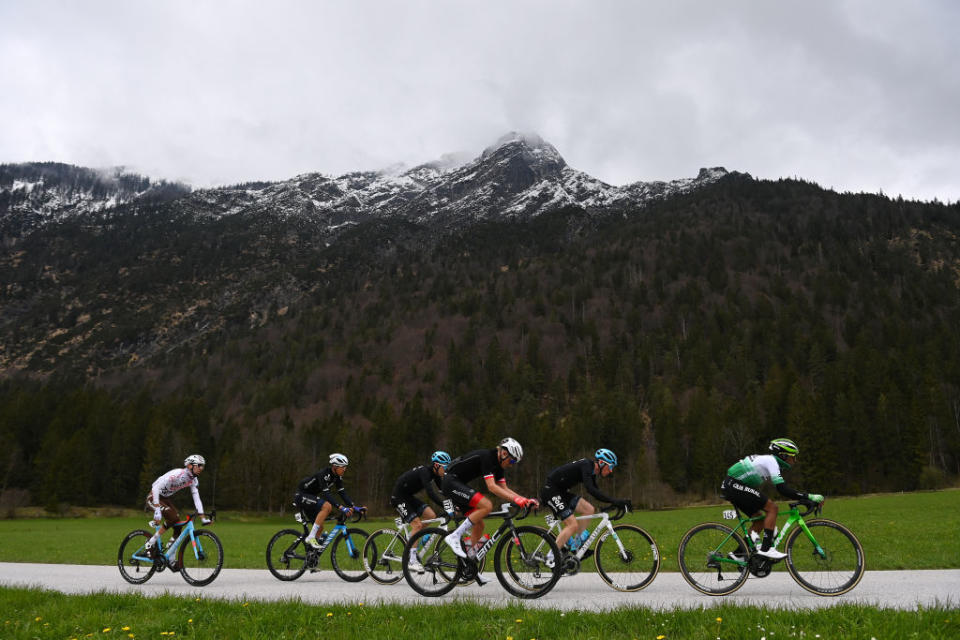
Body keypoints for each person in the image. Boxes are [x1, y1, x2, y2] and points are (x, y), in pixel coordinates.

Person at [720, 438, 824, 560]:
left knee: (759, 520)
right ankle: (766, 549)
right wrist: (809, 496)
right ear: (783, 456)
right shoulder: (772, 461)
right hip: (734, 485)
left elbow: (782, 489)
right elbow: (782, 489)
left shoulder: (770, 462)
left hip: (733, 486)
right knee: (772, 508)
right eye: (793, 457)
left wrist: (803, 497)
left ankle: (738, 555)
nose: (795, 460)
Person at [441, 437, 539, 563]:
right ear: (504, 454)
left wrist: (524, 500)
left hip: (458, 483)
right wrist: (516, 499)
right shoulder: (487, 457)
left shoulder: (499, 466)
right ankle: (454, 536)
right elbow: (492, 487)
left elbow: (504, 488)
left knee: (479, 524)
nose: (511, 465)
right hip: (450, 482)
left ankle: (469, 562)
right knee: (487, 505)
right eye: (512, 461)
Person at [540, 448, 630, 557]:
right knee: (572, 525)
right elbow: (590, 489)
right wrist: (614, 501)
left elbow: (597, 492)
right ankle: (550, 557)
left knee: (589, 509)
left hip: (561, 493)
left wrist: (614, 503)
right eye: (610, 466)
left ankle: (576, 547)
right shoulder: (586, 465)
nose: (611, 470)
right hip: (551, 491)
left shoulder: (592, 471)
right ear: (601, 463)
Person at [144, 454, 210, 559]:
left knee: (178, 526)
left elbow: (196, 498)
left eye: (203, 466)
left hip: (165, 498)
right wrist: (157, 509)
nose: (201, 468)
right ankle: (150, 543)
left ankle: (170, 557)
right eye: (199, 465)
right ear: (190, 466)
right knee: (173, 517)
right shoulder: (177, 474)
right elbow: (155, 487)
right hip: (154, 496)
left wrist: (203, 517)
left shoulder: (193, 480)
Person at [295, 453, 365, 548]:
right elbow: (326, 494)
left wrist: (354, 507)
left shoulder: (337, 477)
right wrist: (341, 507)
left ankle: (311, 557)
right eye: (342, 467)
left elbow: (342, 492)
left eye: (345, 467)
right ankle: (311, 537)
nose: (344, 469)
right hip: (301, 495)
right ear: (335, 467)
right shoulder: (324, 474)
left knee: (319, 527)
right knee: (327, 506)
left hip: (311, 496)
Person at [390, 451, 452, 535]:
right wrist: (445, 506)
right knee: (417, 525)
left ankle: (413, 536)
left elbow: (444, 491)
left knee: (431, 515)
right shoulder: (424, 472)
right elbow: (431, 494)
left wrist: (454, 503)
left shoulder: (435, 474)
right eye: (445, 467)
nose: (446, 470)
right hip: (398, 497)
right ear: (436, 465)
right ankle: (411, 545)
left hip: (408, 496)